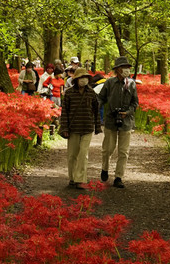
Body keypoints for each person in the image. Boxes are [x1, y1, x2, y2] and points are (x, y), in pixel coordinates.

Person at [97, 56, 139, 189]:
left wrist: (128, 112)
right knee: (108, 149)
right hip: (111, 120)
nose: (127, 70)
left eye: (128, 67)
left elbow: (135, 102)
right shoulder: (109, 83)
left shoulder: (131, 84)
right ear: (118, 69)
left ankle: (118, 177)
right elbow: (101, 98)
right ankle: (105, 168)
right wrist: (94, 111)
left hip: (126, 122)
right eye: (124, 67)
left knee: (123, 151)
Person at [59, 67, 101, 189]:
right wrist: (64, 128)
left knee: (83, 154)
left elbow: (96, 111)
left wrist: (97, 127)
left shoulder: (91, 93)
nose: (83, 80)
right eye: (81, 78)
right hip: (73, 128)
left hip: (87, 127)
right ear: (76, 79)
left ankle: (80, 179)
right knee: (72, 154)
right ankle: (72, 178)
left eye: (85, 77)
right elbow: (64, 112)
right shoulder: (69, 93)